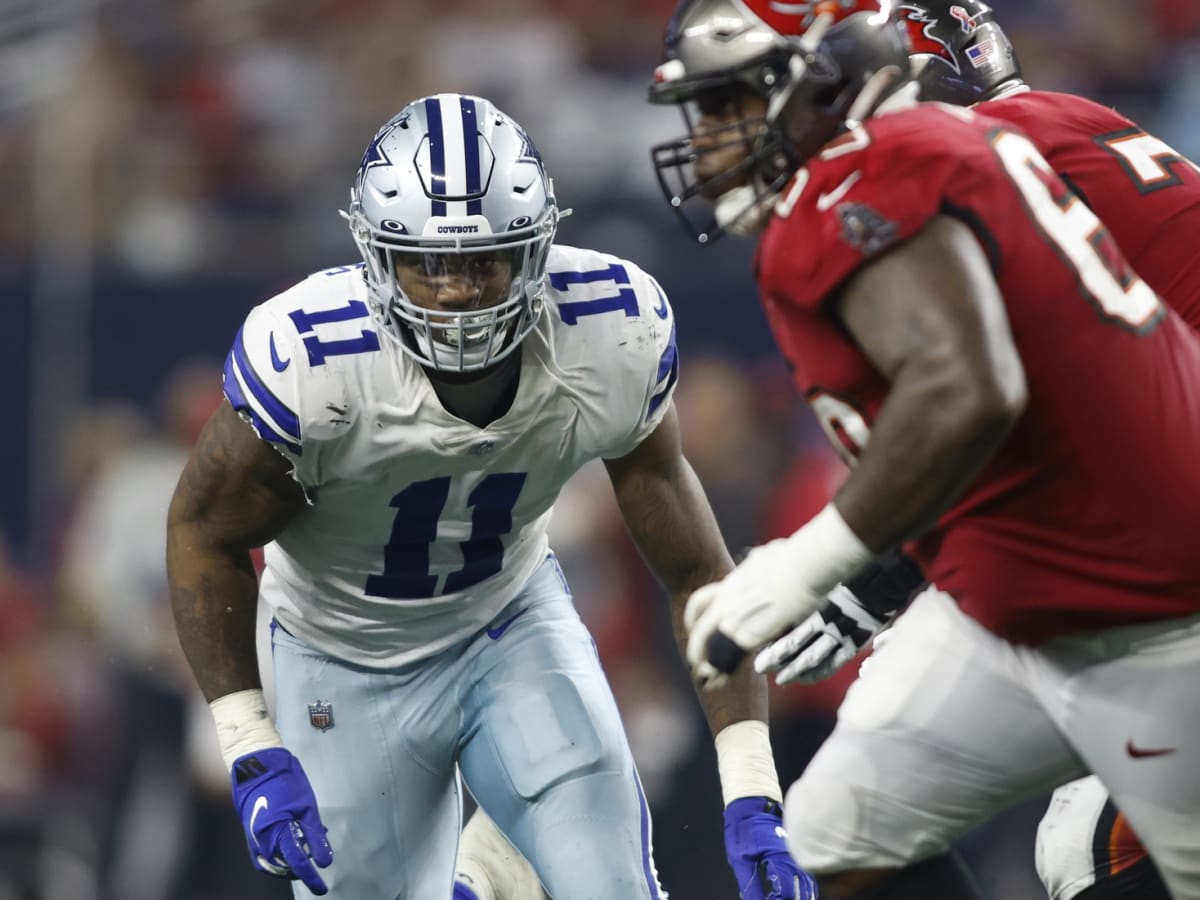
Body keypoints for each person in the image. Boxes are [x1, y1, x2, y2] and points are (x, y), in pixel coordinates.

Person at [166, 92, 814, 900]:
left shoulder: (608, 330)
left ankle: (499, 862)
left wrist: (752, 787)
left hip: (507, 624)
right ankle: (487, 873)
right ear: (376, 255)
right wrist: (248, 738)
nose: (457, 293)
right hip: (340, 652)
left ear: (539, 249)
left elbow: (697, 573)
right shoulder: (311, 356)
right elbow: (202, 534)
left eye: (484, 260)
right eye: (427, 263)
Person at [645, 2, 1200, 899]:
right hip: (1102, 524)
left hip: (1155, 563)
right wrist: (888, 571)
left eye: (730, 106)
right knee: (857, 790)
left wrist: (837, 564)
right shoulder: (1025, 137)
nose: (710, 140)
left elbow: (981, 394)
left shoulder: (932, 165)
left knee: (1083, 852)